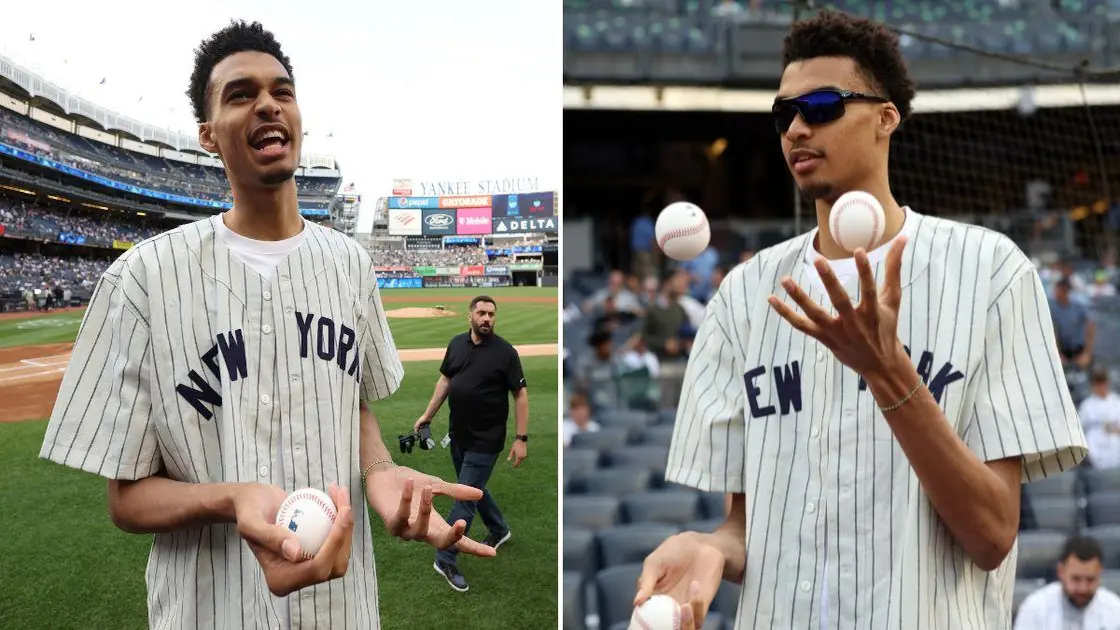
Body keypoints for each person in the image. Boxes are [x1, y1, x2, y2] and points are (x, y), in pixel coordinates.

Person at [634, 11, 1087, 630]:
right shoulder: (743, 294)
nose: (796, 128)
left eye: (820, 106)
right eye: (783, 114)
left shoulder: (991, 271)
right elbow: (746, 524)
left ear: (885, 117)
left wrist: (888, 373)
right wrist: (713, 547)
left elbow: (992, 535)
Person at [37, 20, 492, 630]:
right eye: (240, 94)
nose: (267, 103)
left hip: (343, 609)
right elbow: (126, 500)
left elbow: (351, 405)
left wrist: (381, 475)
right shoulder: (142, 278)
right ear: (207, 135)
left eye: (281, 90)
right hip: (209, 609)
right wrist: (232, 498)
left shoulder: (350, 265)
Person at [413, 295, 529, 592]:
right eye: (481, 313)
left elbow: (520, 395)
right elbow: (445, 382)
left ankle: (445, 557)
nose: (487, 318)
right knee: (474, 488)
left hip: (486, 440)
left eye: (491, 314)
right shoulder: (456, 344)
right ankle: (499, 529)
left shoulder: (506, 353)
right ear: (470, 316)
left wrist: (521, 438)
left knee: (464, 498)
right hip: (458, 435)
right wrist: (428, 415)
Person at [1013, 535, 1120, 629]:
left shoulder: (1115, 610)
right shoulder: (1035, 608)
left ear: (1100, 574)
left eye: (1090, 580)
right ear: (1061, 572)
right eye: (1076, 579)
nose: (1083, 588)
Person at [1080, 369, 1120, 470]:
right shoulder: (1086, 405)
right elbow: (1080, 430)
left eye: (1103, 383)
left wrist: (1113, 428)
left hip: (1114, 444)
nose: (1101, 387)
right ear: (1093, 385)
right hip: (1094, 447)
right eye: (1098, 384)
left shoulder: (1116, 402)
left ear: (1107, 383)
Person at [1052, 277, 1095, 369]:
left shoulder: (1078, 307)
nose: (1055, 293)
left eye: (1058, 290)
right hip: (1062, 351)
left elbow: (1090, 327)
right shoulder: (1053, 308)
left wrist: (1087, 353)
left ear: (1065, 291)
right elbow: (1053, 331)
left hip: (1079, 350)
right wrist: (1057, 354)